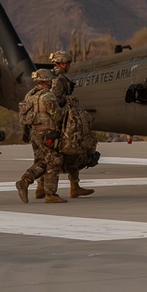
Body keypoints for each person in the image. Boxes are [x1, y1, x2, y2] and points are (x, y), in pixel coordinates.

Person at [15, 68, 69, 203]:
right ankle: (50, 194)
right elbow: (58, 115)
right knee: (54, 160)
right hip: (48, 133)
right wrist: (67, 108)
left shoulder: (30, 95)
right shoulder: (48, 96)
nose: (52, 82)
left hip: (34, 133)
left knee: (41, 161)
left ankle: (25, 181)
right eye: (50, 79)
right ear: (45, 81)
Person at [49, 50, 94, 198]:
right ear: (61, 63)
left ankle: (42, 188)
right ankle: (73, 186)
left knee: (51, 155)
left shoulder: (52, 77)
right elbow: (55, 100)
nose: (69, 65)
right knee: (72, 151)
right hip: (61, 122)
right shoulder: (58, 80)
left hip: (60, 121)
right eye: (67, 63)